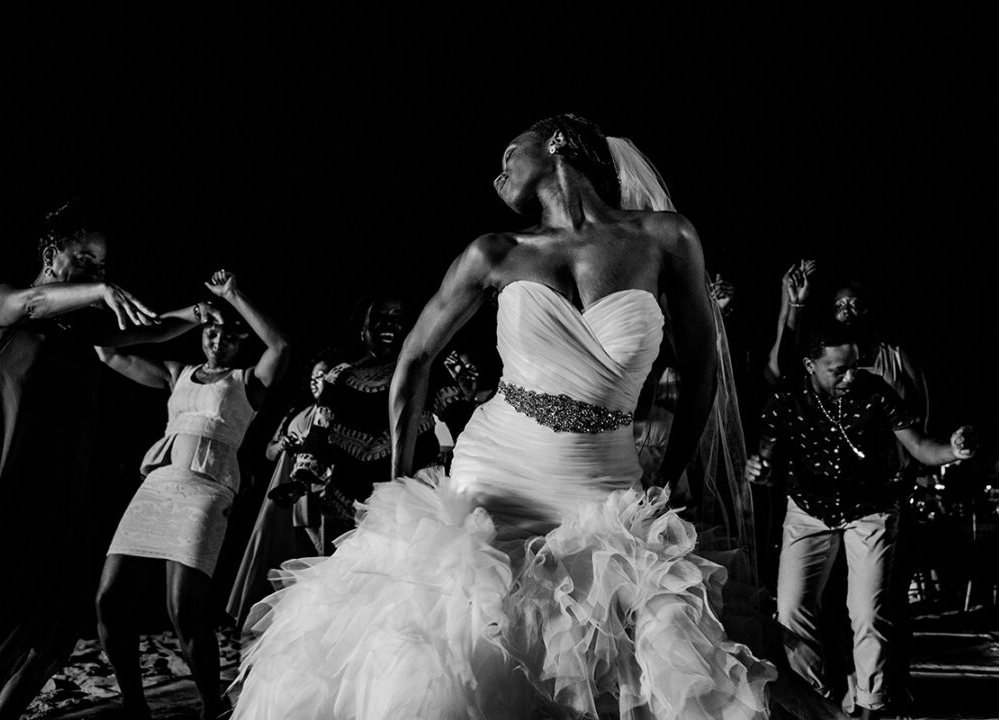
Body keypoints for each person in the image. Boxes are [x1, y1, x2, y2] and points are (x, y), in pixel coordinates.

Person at [232, 114, 778, 719]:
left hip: (602, 485)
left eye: (508, 155)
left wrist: (671, 476)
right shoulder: (495, 251)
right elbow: (414, 357)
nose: (499, 173)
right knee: (464, 647)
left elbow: (704, 369)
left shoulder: (666, 238)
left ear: (558, 147)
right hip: (494, 476)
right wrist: (401, 475)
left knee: (620, 660)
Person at [0, 203, 204, 720]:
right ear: (51, 255)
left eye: (102, 267)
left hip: (57, 500)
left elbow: (150, 330)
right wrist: (100, 291)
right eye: (84, 260)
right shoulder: (1, 305)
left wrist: (197, 312)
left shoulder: (81, 334)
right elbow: (32, 302)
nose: (96, 273)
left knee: (52, 634)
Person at [745, 321, 977, 720]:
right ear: (810, 364)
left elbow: (921, 447)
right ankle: (811, 701)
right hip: (807, 511)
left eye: (855, 366)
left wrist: (954, 451)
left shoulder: (874, 392)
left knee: (867, 612)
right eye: (839, 369)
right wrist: (760, 467)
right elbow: (765, 452)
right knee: (790, 609)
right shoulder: (786, 397)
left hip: (870, 510)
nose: (851, 377)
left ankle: (870, 706)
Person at [94, 269, 289, 720]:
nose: (217, 340)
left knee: (182, 607)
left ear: (240, 340)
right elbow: (107, 350)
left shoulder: (247, 383)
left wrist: (233, 295)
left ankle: (208, 706)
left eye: (227, 334)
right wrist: (188, 312)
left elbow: (280, 346)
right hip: (158, 486)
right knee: (109, 600)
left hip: (206, 489)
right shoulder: (175, 372)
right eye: (211, 331)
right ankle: (135, 705)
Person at [267, 294, 445, 555]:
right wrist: (301, 482)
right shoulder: (339, 377)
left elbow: (461, 416)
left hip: (411, 502)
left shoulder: (428, 373)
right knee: (342, 584)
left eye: (396, 319)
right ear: (363, 330)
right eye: (379, 319)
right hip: (345, 502)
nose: (387, 326)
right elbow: (319, 434)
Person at [226, 349, 340, 627]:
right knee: (299, 556)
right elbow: (269, 452)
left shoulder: (341, 411)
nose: (318, 381)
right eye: (314, 376)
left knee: (327, 555)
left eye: (324, 375)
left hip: (329, 491)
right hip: (295, 495)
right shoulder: (298, 414)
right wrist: (283, 446)